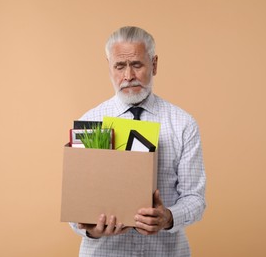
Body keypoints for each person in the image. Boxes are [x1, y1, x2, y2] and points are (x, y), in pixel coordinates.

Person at [69, 26, 206, 257]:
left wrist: (169, 217)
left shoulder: (183, 124)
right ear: (109, 67)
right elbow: (77, 208)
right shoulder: (89, 122)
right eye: (119, 66)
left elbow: (195, 199)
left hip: (165, 252)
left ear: (154, 64)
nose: (128, 76)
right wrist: (91, 230)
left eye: (137, 65)